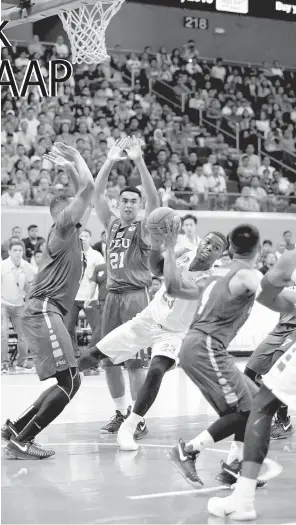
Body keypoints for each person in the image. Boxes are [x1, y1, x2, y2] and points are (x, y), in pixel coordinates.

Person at [77, 224, 226, 450]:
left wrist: (169, 252)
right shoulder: (184, 254)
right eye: (208, 242)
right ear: (200, 241)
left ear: (219, 255)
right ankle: (61, 385)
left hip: (174, 333)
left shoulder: (209, 278)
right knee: (94, 354)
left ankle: (131, 426)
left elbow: (176, 288)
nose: (209, 248)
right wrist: (157, 246)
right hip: (147, 319)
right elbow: (155, 268)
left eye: (216, 248)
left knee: (156, 370)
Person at [1, 142, 94, 459]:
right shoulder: (64, 227)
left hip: (45, 310)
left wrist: (69, 168)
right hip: (43, 309)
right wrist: (78, 158)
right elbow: (89, 189)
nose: (88, 209)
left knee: (71, 379)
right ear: (66, 212)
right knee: (70, 383)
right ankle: (21, 440)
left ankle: (16, 429)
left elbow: (85, 191)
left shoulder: (71, 232)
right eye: (79, 206)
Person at [168, 224, 262, 486]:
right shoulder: (246, 275)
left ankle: (235, 466)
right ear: (258, 248)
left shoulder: (217, 273)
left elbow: (175, 290)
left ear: (230, 248)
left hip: (199, 345)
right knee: (243, 410)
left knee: (256, 401)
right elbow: (270, 291)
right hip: (205, 346)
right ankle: (187, 451)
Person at [208, 249, 296, 520]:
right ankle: (238, 466)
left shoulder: (290, 257)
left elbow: (267, 291)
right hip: (282, 328)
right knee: (253, 381)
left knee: (261, 404)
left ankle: (243, 498)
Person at [91, 137, 159, 437]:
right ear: (118, 204)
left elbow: (155, 202)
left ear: (139, 206)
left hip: (135, 298)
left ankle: (138, 417)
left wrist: (139, 160)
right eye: (124, 200)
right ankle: (120, 412)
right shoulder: (113, 224)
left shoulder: (144, 227)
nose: (128, 204)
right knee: (108, 360)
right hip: (112, 298)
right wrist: (109, 160)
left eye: (134, 201)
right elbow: (96, 196)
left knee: (133, 363)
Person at [65, 229, 104, 354]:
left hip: (91, 298)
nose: (83, 238)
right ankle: (73, 354)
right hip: (73, 297)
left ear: (90, 238)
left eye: (86, 236)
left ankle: (93, 356)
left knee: (97, 328)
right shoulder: (71, 255)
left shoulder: (96, 255)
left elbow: (103, 275)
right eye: (81, 236)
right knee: (67, 327)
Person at [1, 240, 35, 374]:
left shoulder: (28, 267)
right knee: (3, 333)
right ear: (9, 252)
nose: (17, 253)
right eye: (14, 250)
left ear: (23, 252)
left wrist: (28, 302)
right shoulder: (2, 266)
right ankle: (4, 364)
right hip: (3, 304)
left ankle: (22, 363)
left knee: (24, 335)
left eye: (20, 250)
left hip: (20, 305)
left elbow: (31, 289)